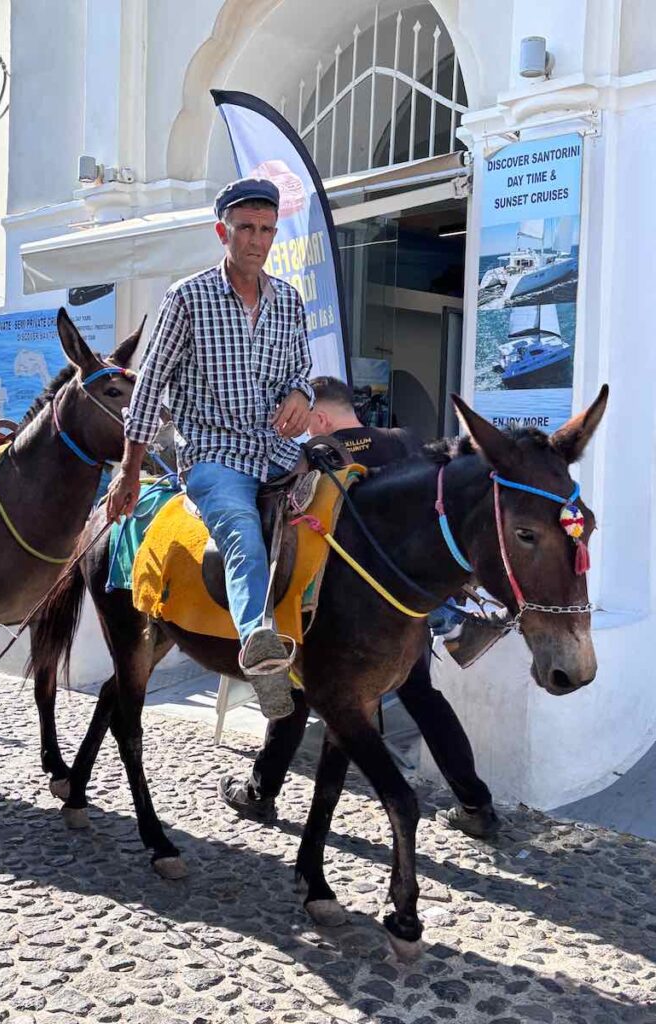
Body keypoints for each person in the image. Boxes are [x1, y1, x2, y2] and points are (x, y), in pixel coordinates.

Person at [219, 375, 500, 839]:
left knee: (294, 690)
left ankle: (261, 791)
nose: (304, 431)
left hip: (345, 615)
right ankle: (476, 803)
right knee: (423, 697)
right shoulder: (407, 441)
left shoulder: (320, 454)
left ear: (323, 418)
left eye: (307, 421)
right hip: (410, 606)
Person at [106, 177, 314, 721]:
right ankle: (260, 647)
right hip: (215, 455)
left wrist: (299, 394)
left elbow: (301, 373)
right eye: (246, 228)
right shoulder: (187, 298)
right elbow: (149, 387)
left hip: (280, 449)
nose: (257, 240)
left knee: (349, 500)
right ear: (222, 231)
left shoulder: (289, 302)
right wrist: (130, 471)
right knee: (243, 533)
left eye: (267, 229)